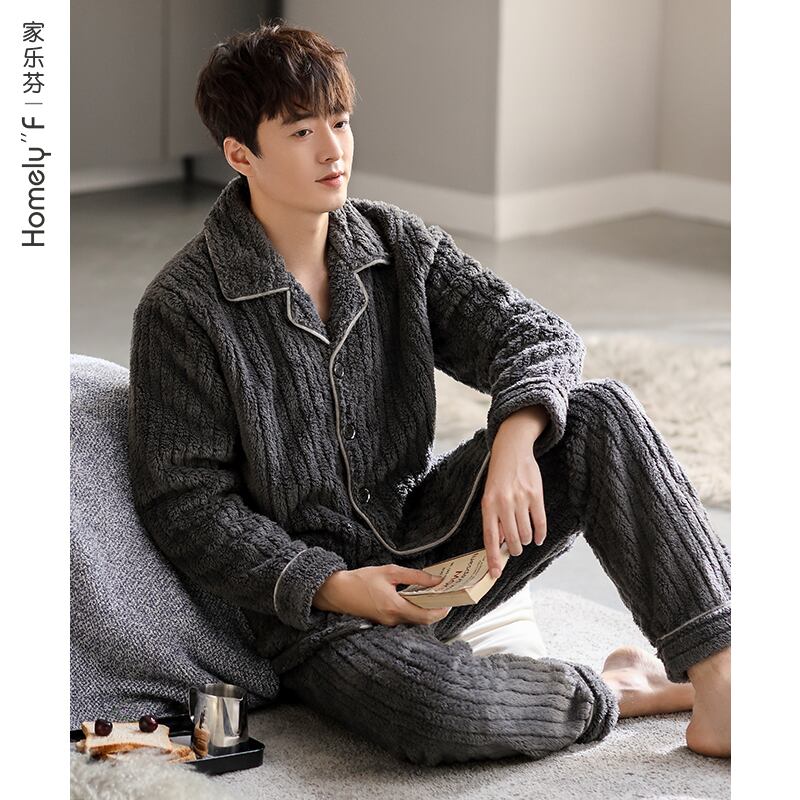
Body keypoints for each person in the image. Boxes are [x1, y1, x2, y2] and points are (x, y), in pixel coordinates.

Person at [127, 21, 731, 766]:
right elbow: (186, 505)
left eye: (341, 122)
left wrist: (517, 438)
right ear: (240, 154)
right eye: (302, 131)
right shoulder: (183, 310)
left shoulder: (397, 244)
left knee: (600, 411)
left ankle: (722, 679)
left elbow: (534, 332)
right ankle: (620, 688)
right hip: (313, 613)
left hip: (426, 540)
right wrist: (334, 585)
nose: (333, 149)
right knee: (435, 710)